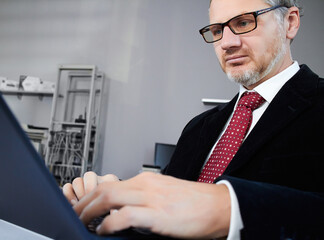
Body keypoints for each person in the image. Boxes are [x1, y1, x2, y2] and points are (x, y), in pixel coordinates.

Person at [63, 0, 324, 239]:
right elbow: (169, 210)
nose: (226, 43)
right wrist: (114, 202)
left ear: (290, 22)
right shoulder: (198, 127)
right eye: (218, 30)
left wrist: (229, 208)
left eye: (243, 23)